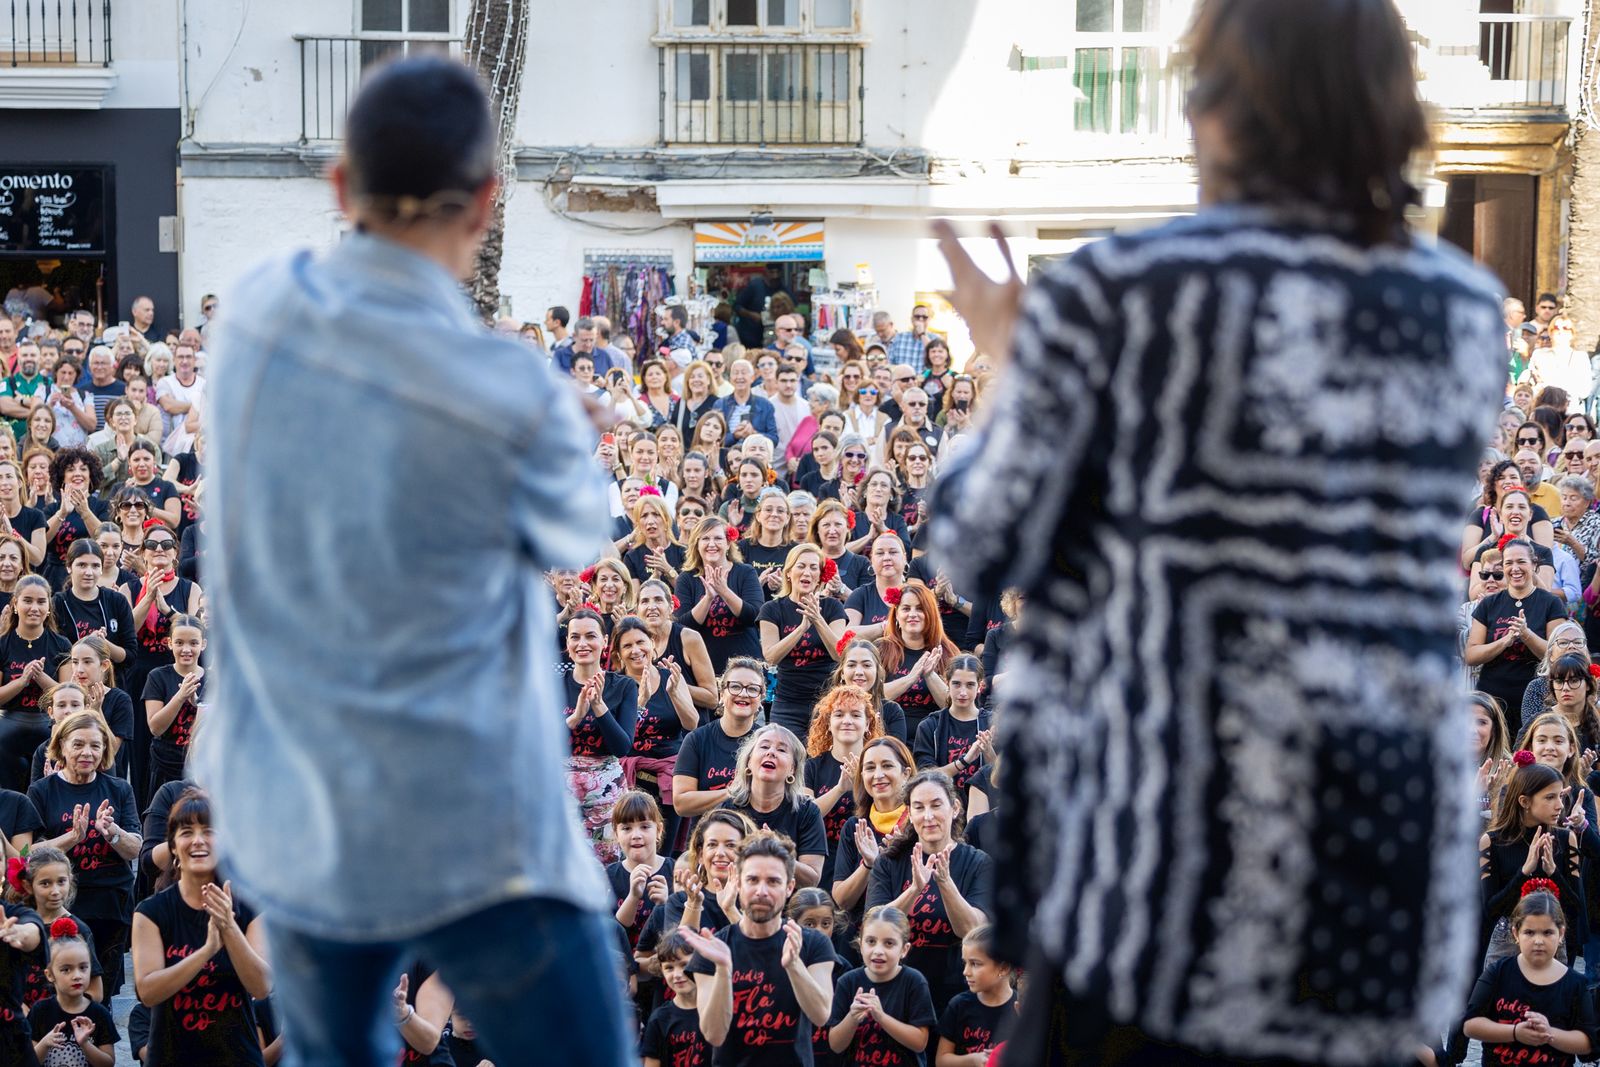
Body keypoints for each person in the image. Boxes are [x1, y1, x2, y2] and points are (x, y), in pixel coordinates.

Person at [196, 57, 631, 1067]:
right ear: (488, 200)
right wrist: (565, 428)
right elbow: (575, 533)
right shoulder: (507, 390)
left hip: (299, 805)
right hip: (478, 825)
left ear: (339, 185)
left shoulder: (252, 315)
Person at [131, 788, 268, 1066]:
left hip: (237, 1057)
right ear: (173, 847)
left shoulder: (250, 908)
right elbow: (147, 991)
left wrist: (229, 928)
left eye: (209, 831)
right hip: (172, 1056)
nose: (198, 841)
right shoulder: (151, 912)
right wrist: (206, 951)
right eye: (186, 832)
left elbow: (262, 986)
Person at [680, 832, 837, 1062]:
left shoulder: (812, 942)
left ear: (789, 887)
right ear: (738, 884)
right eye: (752, 880)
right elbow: (714, 1035)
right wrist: (724, 969)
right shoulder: (716, 949)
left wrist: (794, 966)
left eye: (773, 881)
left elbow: (821, 1015)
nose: (761, 891)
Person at [28, 711, 140, 999]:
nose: (87, 753)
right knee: (57, 988)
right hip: (61, 905)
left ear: (104, 749)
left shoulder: (119, 788)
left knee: (101, 993)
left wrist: (112, 832)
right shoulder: (41, 791)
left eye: (95, 745)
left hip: (110, 903)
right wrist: (71, 838)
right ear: (61, 747)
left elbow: (136, 848)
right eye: (78, 744)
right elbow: (28, 853)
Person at [1464, 890, 1597, 1065]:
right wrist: (1514, 1032)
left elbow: (1587, 1043)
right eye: (1529, 932)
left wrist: (1549, 1034)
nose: (1538, 941)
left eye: (1548, 932)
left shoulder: (1575, 984)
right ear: (1515, 933)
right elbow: (1470, 1025)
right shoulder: (1498, 972)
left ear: (1561, 934)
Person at [827, 904, 936, 1066]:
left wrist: (881, 1017)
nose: (878, 950)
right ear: (860, 945)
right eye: (871, 941)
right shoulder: (847, 982)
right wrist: (852, 1018)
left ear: (904, 950)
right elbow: (835, 1045)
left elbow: (920, 1042)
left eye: (889, 943)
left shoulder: (914, 981)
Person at [760, 543, 848, 737]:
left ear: (819, 577)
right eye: (801, 566)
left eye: (813, 567)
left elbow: (840, 654)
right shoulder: (772, 609)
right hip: (787, 704)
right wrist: (801, 629)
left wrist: (817, 619)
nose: (807, 572)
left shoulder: (833, 607)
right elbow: (771, 656)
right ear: (789, 573)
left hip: (828, 702)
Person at [28, 917, 118, 1066]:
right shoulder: (40, 1011)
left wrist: (85, 1044)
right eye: (66, 969)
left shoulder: (100, 1014)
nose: (77, 975)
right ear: (50, 975)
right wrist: (44, 1044)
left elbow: (108, 1063)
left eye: (83, 967)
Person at [935, 924, 1016, 1067]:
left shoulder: (1020, 1008)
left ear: (1003, 968)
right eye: (965, 963)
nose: (965, 971)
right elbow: (941, 1061)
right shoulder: (959, 1005)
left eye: (975, 964)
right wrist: (972, 1060)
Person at [640, 928, 713, 1067]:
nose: (677, 974)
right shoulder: (659, 1019)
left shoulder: (720, 1009)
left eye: (684, 965)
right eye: (669, 968)